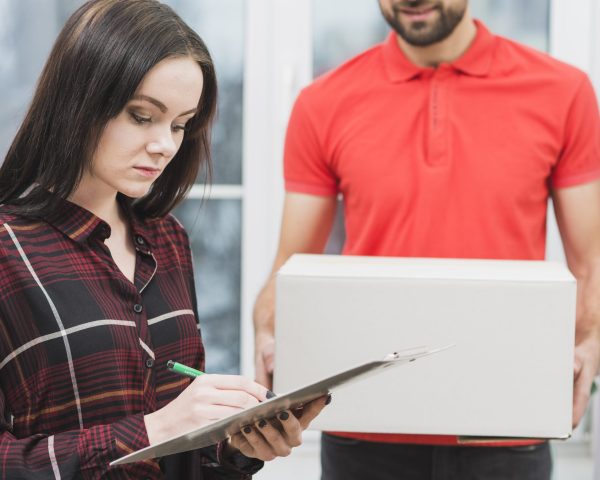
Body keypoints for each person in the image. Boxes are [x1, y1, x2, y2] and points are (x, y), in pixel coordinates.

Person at [253, 0, 600, 478]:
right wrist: (269, 324)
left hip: (506, 423)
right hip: (365, 426)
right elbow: (291, 264)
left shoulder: (563, 92)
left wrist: (590, 341)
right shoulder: (324, 101)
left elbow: (590, 262)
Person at [0, 0, 329, 478]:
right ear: (79, 100)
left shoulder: (167, 241)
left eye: (180, 124)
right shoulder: (8, 248)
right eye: (141, 116)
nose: (166, 145)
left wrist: (238, 446)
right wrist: (154, 429)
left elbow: (184, 447)